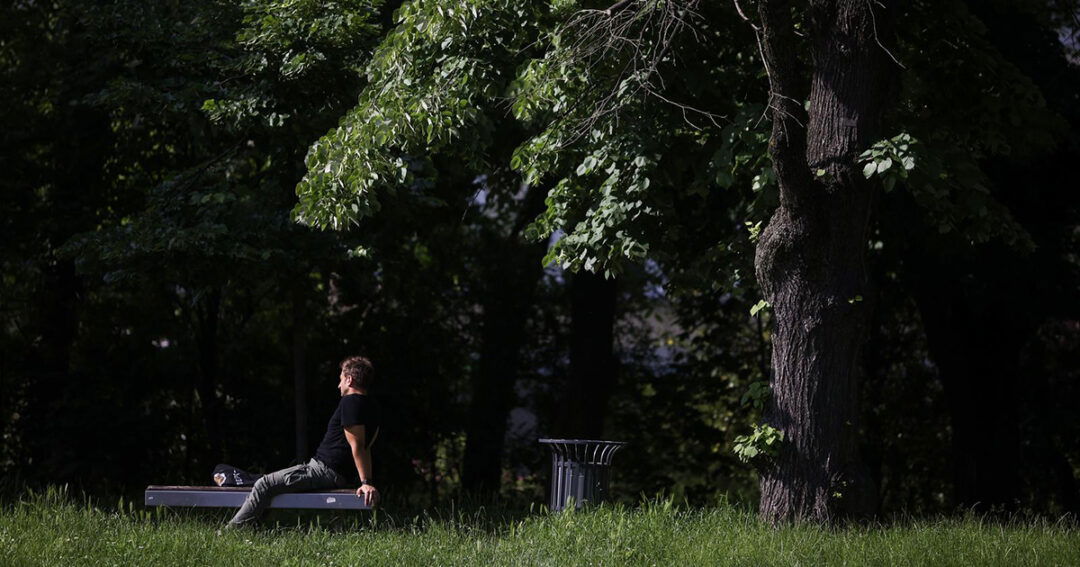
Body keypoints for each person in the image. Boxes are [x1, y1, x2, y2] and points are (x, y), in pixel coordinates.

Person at [227, 355, 382, 527]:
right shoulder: (371, 406)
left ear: (349, 380)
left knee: (264, 484)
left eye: (341, 380)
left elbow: (358, 446)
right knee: (271, 485)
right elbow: (366, 447)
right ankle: (252, 528)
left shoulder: (351, 402)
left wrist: (366, 483)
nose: (339, 385)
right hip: (334, 473)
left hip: (324, 471)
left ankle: (230, 533)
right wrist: (367, 480)